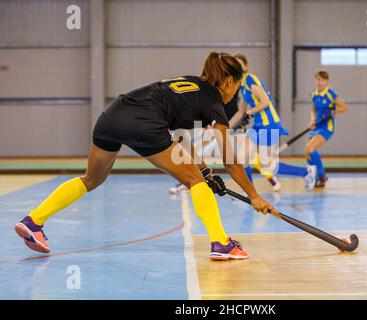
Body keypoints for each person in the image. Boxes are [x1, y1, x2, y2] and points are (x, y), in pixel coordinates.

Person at [14, 52, 278, 261]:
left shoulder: (191, 84)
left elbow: (183, 136)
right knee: (194, 183)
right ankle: (221, 243)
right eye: (239, 85)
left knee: (91, 180)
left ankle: (33, 221)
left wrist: (205, 171)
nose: (237, 91)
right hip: (145, 123)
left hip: (112, 115)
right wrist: (254, 195)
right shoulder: (214, 102)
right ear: (230, 81)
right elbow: (230, 159)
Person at [233, 53, 316, 192]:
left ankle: (306, 172)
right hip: (258, 125)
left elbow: (265, 102)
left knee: (268, 166)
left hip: (269, 124)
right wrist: (222, 127)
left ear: (245, 66)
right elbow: (240, 112)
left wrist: (249, 113)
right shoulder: (242, 86)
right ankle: (250, 193)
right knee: (242, 159)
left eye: (238, 63)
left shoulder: (249, 80)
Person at [306, 70, 348, 188]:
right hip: (317, 126)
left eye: (323, 80)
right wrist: (312, 120)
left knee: (310, 148)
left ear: (327, 81)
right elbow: (313, 109)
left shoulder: (330, 94)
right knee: (308, 154)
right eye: (318, 79)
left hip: (327, 127)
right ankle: (314, 177)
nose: (320, 82)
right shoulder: (313, 94)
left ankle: (322, 175)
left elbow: (344, 107)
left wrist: (333, 111)